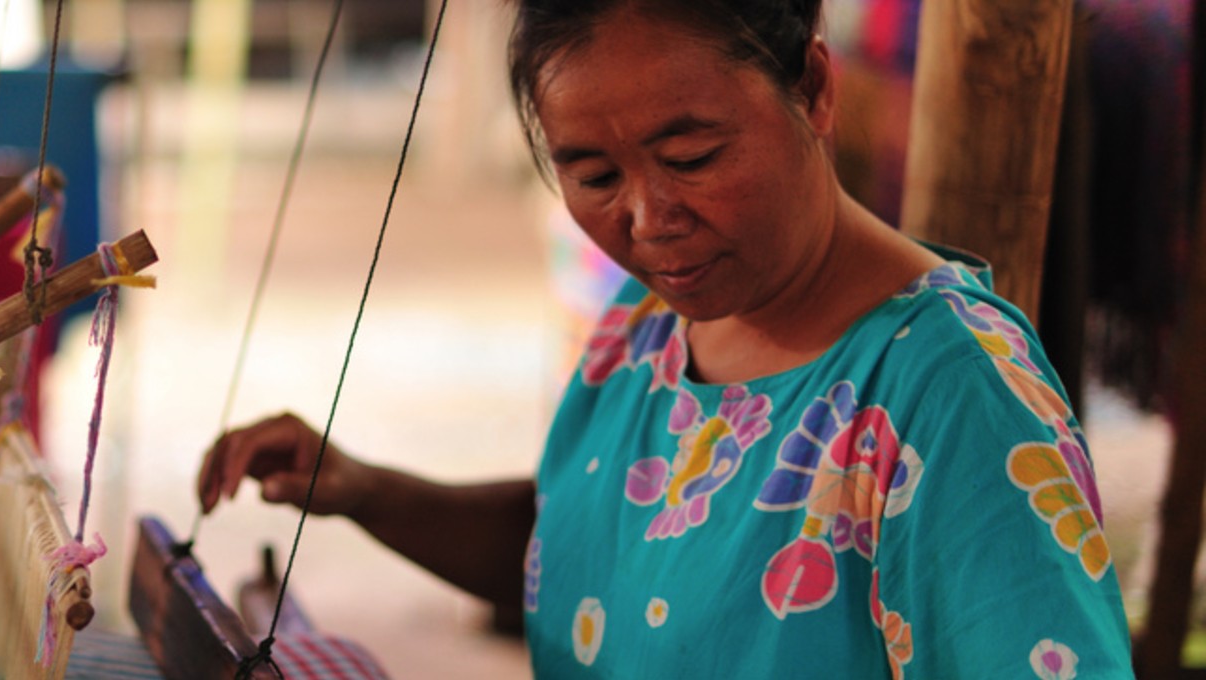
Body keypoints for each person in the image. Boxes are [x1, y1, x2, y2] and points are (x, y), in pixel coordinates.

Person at [195, 0, 1134, 676]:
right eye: (595, 174)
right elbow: (592, 546)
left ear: (811, 89)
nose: (647, 218)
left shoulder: (951, 396)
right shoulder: (647, 331)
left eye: (692, 158)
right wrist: (363, 489)